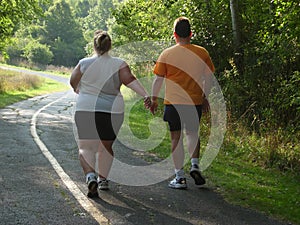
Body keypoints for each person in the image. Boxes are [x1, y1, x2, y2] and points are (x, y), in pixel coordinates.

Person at [70, 30, 151, 198]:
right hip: (112, 110)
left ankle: (90, 176)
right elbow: (130, 80)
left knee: (86, 147)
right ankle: (103, 180)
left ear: (94, 45)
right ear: (110, 46)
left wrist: (79, 90)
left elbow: (73, 81)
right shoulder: (119, 64)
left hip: (86, 108)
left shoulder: (84, 63)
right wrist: (145, 95)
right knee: (105, 146)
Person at [150, 17, 215, 189]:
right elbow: (208, 79)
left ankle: (179, 178)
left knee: (176, 138)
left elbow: (158, 80)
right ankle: (194, 165)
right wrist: (204, 97)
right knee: (192, 133)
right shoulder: (202, 53)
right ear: (191, 34)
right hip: (194, 102)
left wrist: (154, 99)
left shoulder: (167, 54)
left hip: (173, 103)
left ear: (175, 35)